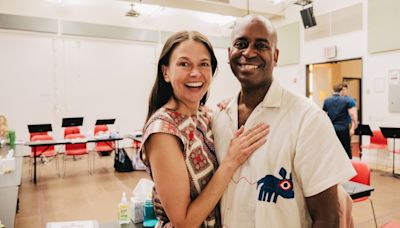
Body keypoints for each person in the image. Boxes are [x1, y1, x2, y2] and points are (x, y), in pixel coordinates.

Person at [212, 15, 356, 228]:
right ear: (229, 53)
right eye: (241, 44)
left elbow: (327, 219)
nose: (249, 52)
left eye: (261, 45)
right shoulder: (219, 117)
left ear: (275, 56)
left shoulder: (307, 119)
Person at [140, 30, 269, 227]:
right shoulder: (163, 131)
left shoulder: (206, 114)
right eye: (184, 64)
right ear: (166, 72)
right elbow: (184, 223)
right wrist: (230, 163)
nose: (195, 73)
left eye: (204, 64)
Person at [323, 83, 357, 159]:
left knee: (333, 148)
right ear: (341, 91)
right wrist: (355, 125)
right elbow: (352, 115)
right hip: (343, 129)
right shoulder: (348, 100)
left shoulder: (327, 101)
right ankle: (348, 166)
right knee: (345, 148)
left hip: (332, 129)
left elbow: (324, 115)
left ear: (332, 90)